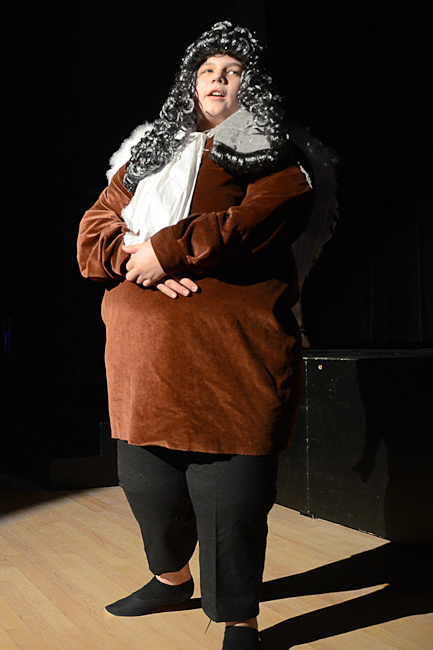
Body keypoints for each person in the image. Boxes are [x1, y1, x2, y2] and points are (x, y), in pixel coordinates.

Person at [77, 21, 318, 650]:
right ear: (189, 82)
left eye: (233, 71)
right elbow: (93, 227)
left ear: (252, 87)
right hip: (141, 362)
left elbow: (258, 217)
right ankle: (170, 579)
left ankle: (238, 617)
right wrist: (133, 257)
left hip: (230, 359)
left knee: (231, 498)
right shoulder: (149, 152)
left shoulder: (270, 153)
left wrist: (167, 250)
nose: (217, 78)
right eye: (207, 69)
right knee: (147, 482)